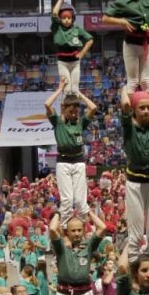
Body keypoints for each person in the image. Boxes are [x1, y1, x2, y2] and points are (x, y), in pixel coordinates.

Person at [119, 87, 149, 254]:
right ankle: (134, 263)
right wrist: (125, 90)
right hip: (135, 183)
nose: (146, 111)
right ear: (134, 110)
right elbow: (124, 103)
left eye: (148, 107)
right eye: (142, 108)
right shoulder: (128, 127)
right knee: (136, 232)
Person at [46, 79, 98, 221]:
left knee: (81, 201)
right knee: (67, 201)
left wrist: (80, 94)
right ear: (64, 109)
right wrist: (59, 88)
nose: (75, 114)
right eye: (71, 111)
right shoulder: (57, 122)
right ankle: (63, 227)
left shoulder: (81, 122)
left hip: (79, 161)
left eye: (76, 111)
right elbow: (47, 104)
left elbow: (93, 108)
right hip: (63, 162)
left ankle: (82, 227)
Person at [50, 0, 93, 94]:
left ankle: (75, 109)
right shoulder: (57, 28)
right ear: (60, 19)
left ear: (73, 19)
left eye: (68, 18)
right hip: (63, 63)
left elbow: (90, 40)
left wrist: (82, 53)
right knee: (67, 89)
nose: (66, 20)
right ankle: (65, 108)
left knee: (74, 89)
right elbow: (54, 14)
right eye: (63, 18)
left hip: (75, 62)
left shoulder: (77, 29)